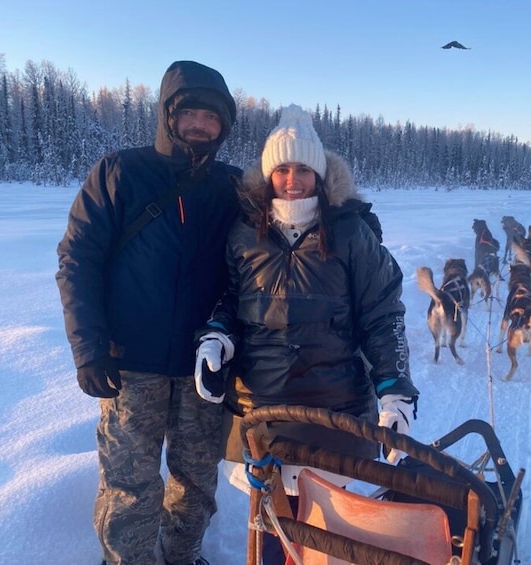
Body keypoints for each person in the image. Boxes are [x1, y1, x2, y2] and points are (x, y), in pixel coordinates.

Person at [192, 104, 420, 564]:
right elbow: (231, 301)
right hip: (262, 411)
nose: (292, 179)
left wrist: (395, 390)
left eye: (301, 169)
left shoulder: (350, 232)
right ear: (267, 174)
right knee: (272, 527)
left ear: (319, 174)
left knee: (326, 532)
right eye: (281, 169)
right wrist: (216, 338)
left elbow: (383, 313)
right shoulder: (244, 233)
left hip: (333, 411)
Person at [55, 60, 241, 565]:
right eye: (190, 113)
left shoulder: (234, 187)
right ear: (168, 116)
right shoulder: (119, 172)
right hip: (128, 362)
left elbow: (283, 227)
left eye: (213, 116)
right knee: (128, 485)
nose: (201, 124)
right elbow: (77, 260)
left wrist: (346, 214)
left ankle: (182, 556)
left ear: (224, 125)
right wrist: (89, 347)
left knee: (196, 481)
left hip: (204, 368)